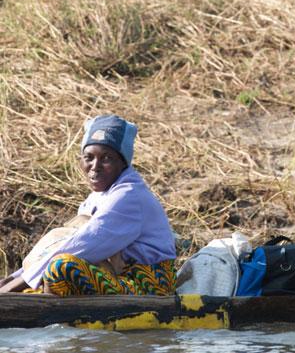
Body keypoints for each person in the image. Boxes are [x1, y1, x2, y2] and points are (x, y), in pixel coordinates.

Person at [0, 115, 177, 296]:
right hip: (117, 275)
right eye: (88, 157)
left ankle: (47, 309)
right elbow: (66, 241)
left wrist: (18, 284)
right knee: (60, 253)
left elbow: (84, 243)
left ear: (123, 162)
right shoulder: (98, 196)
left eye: (106, 158)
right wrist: (15, 277)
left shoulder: (129, 196)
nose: (95, 166)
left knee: (61, 267)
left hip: (150, 284)